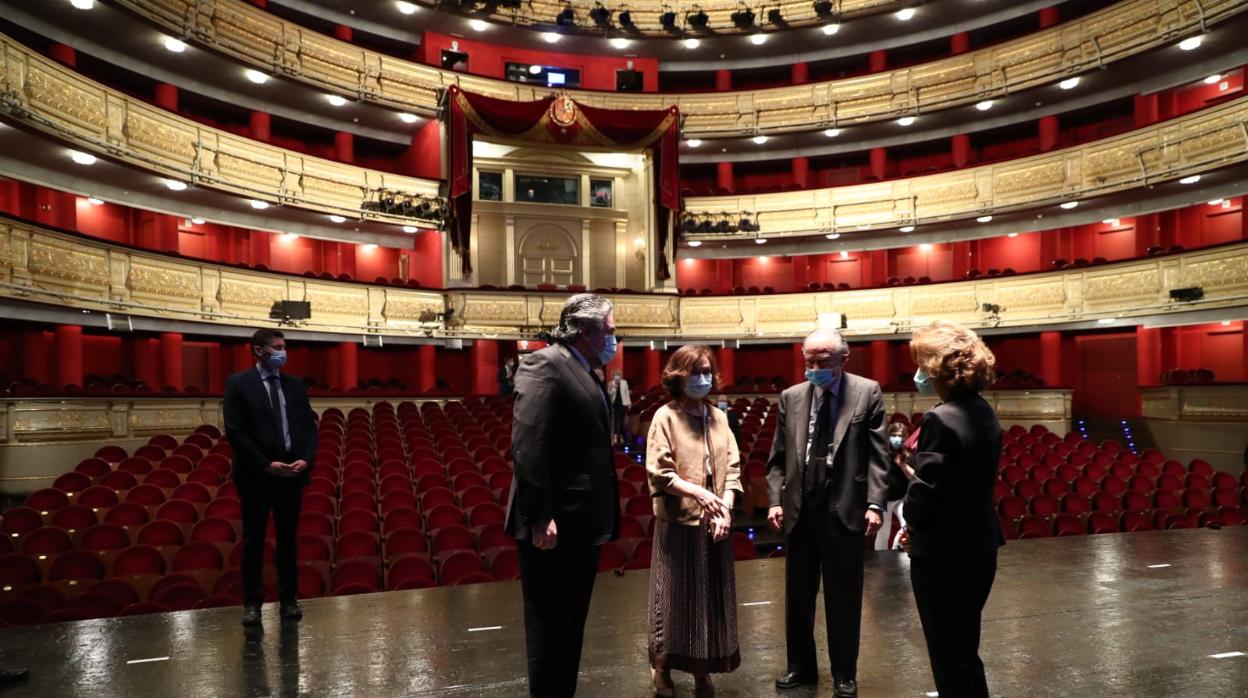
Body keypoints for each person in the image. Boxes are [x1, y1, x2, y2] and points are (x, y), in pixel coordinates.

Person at [505, 293, 621, 698]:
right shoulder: (545, 364)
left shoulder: (584, 368)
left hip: (580, 523)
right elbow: (528, 446)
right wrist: (539, 516)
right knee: (549, 629)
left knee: (570, 627)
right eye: (609, 331)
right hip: (554, 523)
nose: (613, 338)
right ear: (585, 330)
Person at [766, 327, 890, 696]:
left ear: (842, 359)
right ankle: (800, 667)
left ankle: (844, 673)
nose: (815, 367)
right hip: (801, 509)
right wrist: (774, 500)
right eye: (810, 360)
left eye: (823, 360)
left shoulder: (866, 392)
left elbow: (879, 455)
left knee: (844, 598)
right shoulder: (791, 397)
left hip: (845, 509)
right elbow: (777, 458)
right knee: (798, 597)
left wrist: (875, 502)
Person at [902, 321, 1004, 698]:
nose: (916, 373)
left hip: (943, 554)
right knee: (965, 652)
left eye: (920, 364)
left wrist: (906, 475)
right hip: (979, 547)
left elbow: (923, 500)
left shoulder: (939, 418)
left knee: (947, 655)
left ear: (936, 368)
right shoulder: (982, 410)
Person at [645, 345, 743, 697]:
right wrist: (702, 497)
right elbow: (660, 473)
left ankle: (704, 670)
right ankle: (662, 668)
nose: (703, 379)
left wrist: (725, 509)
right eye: (695, 372)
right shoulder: (665, 417)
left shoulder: (719, 417)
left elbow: (732, 470)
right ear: (678, 375)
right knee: (672, 600)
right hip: (679, 522)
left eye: (707, 372)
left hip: (716, 524)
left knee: (711, 599)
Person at [223, 328, 319, 626]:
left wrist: (306, 458)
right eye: (276, 347)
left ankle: (288, 599)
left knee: (288, 540)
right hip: (258, 475)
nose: (282, 352)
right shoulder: (239, 384)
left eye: (283, 346)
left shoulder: (294, 384)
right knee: (254, 541)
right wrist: (266, 465)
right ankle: (252, 603)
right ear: (258, 351)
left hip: (291, 474)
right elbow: (236, 432)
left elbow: (307, 427)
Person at [875, 421, 914, 551]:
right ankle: (879, 559)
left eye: (900, 435)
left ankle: (896, 551)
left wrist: (903, 464)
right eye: (894, 435)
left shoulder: (909, 455)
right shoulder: (883, 454)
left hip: (901, 498)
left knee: (906, 526)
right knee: (883, 532)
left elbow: (914, 478)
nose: (897, 438)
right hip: (885, 499)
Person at [606, 369, 631, 445]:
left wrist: (629, 403)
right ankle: (615, 437)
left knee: (621, 421)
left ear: (620, 376)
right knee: (615, 421)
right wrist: (614, 389)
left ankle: (621, 436)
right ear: (613, 376)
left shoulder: (624, 382)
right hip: (614, 405)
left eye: (618, 375)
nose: (617, 377)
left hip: (622, 404)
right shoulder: (611, 383)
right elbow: (609, 394)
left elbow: (627, 393)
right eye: (615, 375)